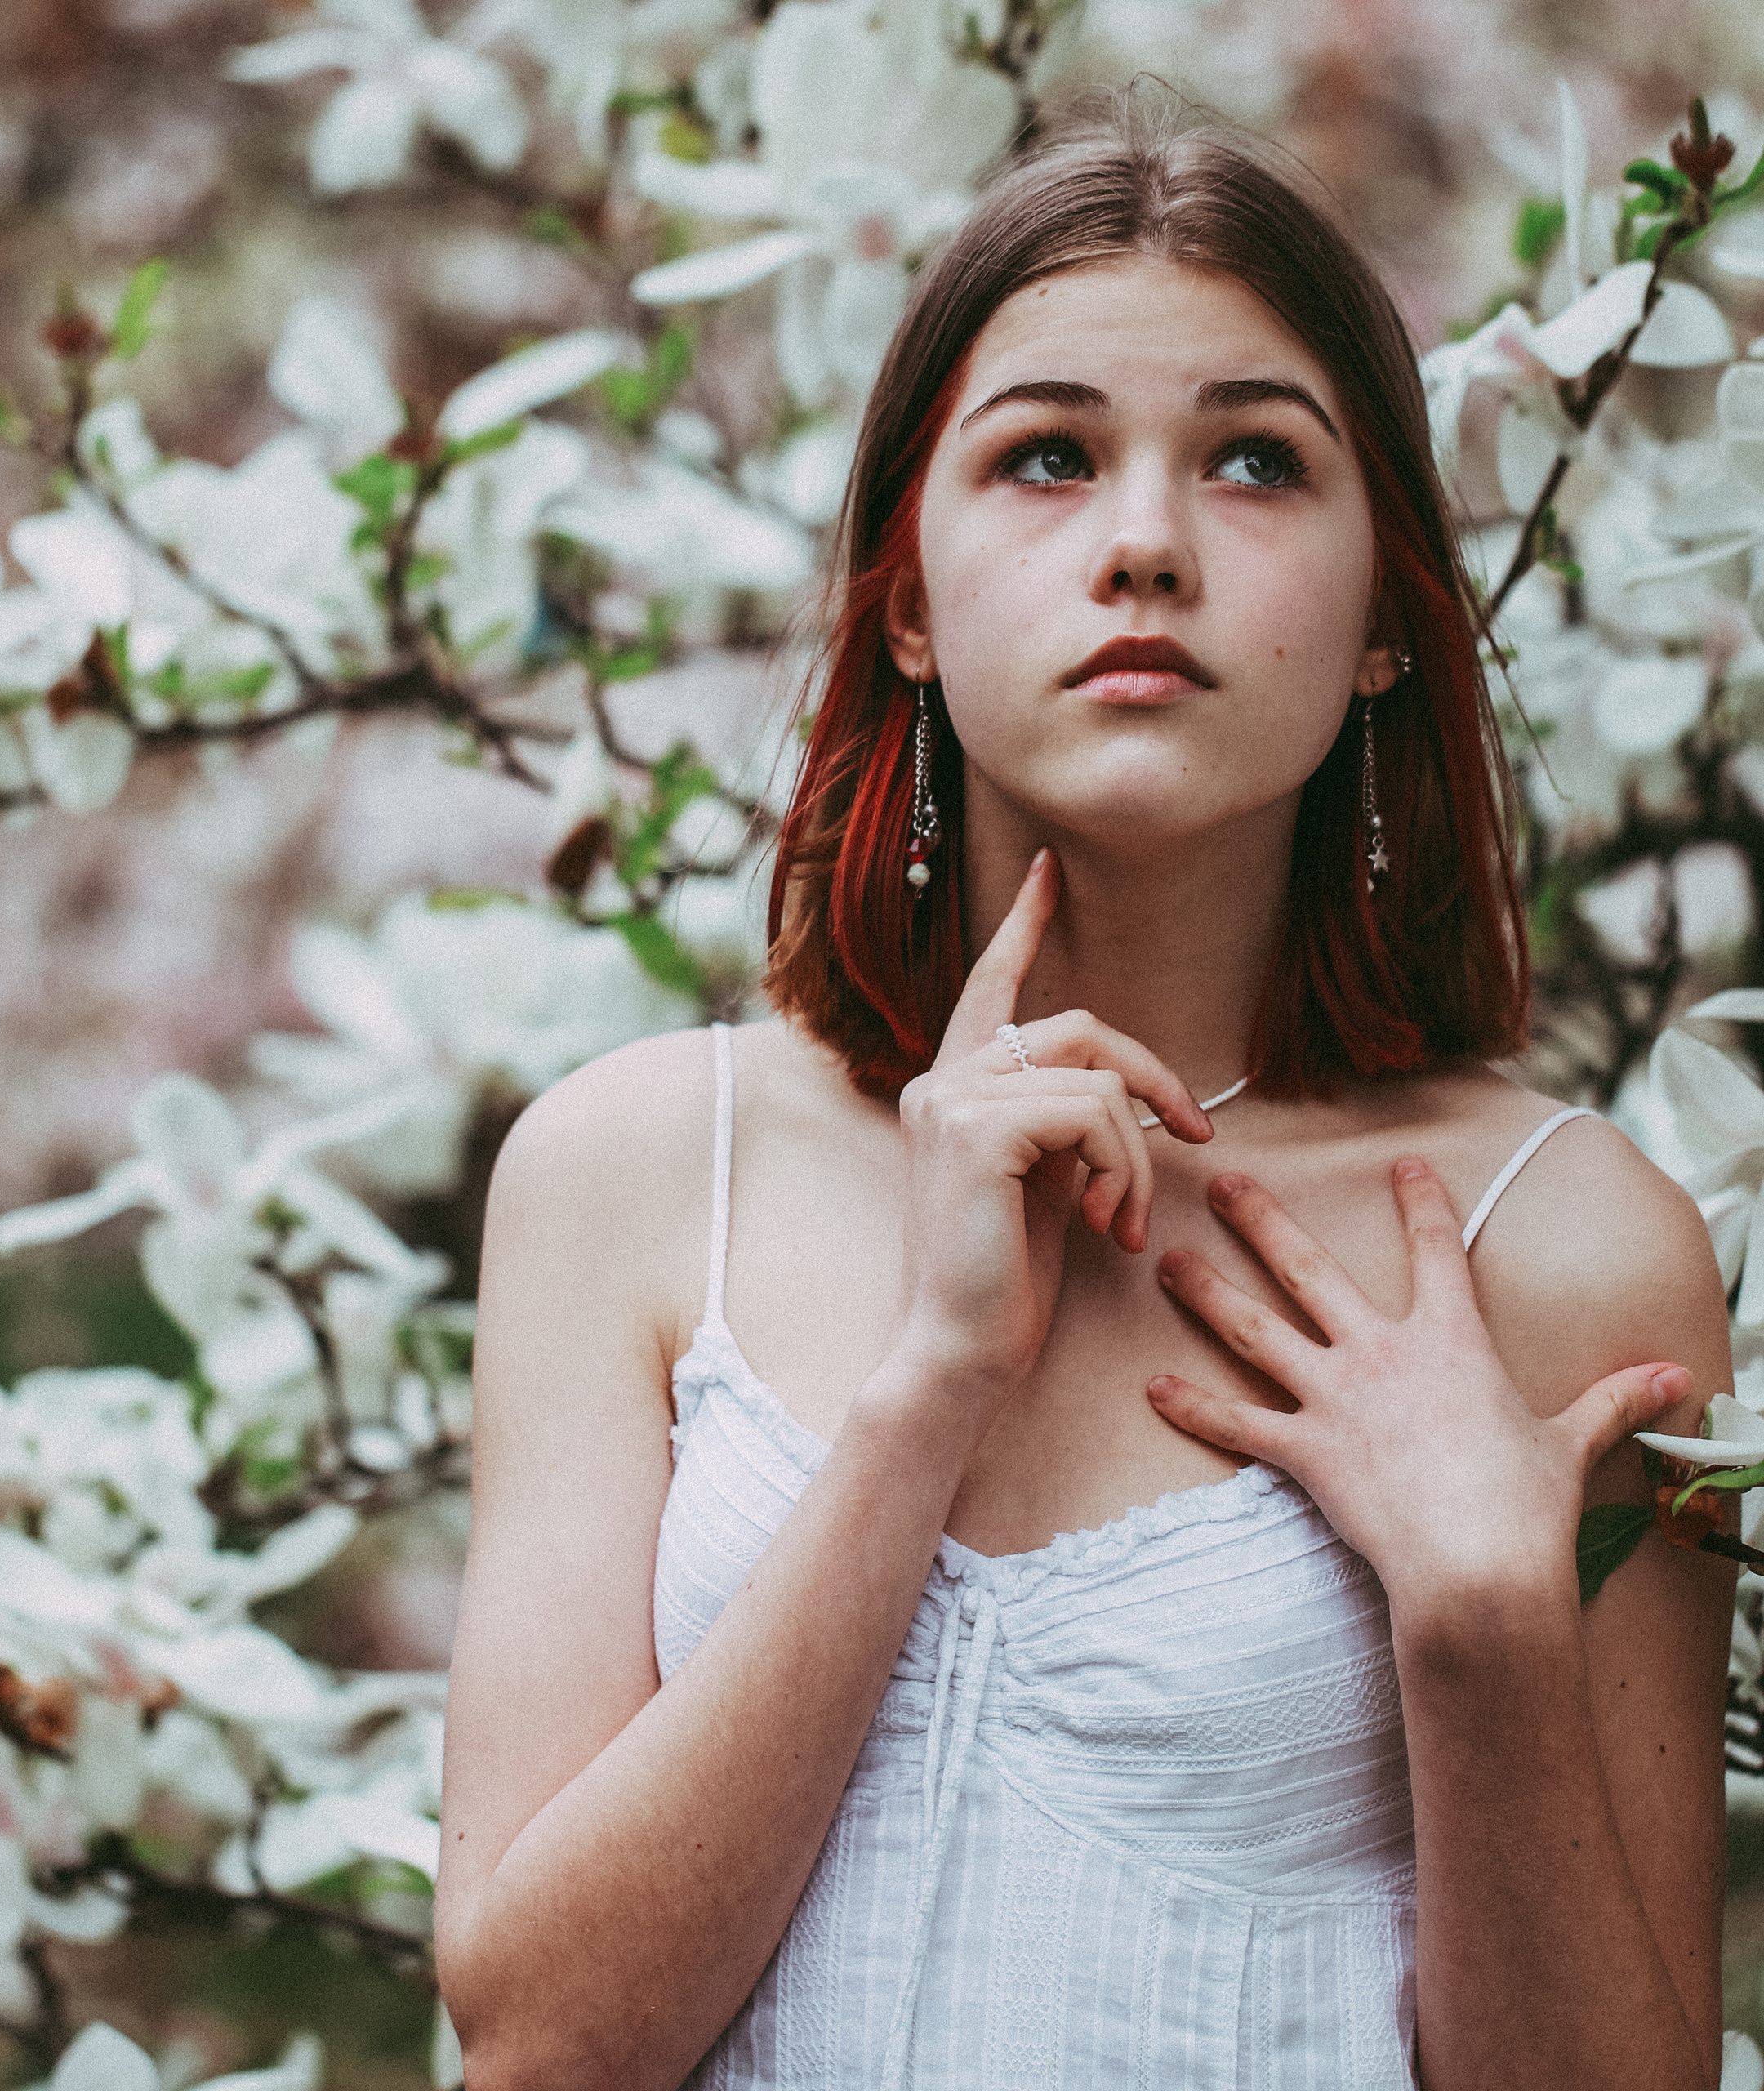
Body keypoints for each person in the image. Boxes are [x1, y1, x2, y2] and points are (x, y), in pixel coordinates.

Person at [433, 89, 1734, 2091]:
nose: (1143, 542)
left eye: (1252, 463)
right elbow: (533, 2045)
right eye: (1045, 456)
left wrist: (1477, 1615)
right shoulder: (633, 1174)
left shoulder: (1557, 1248)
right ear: (909, 599)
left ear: (1386, 610)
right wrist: (927, 1380)